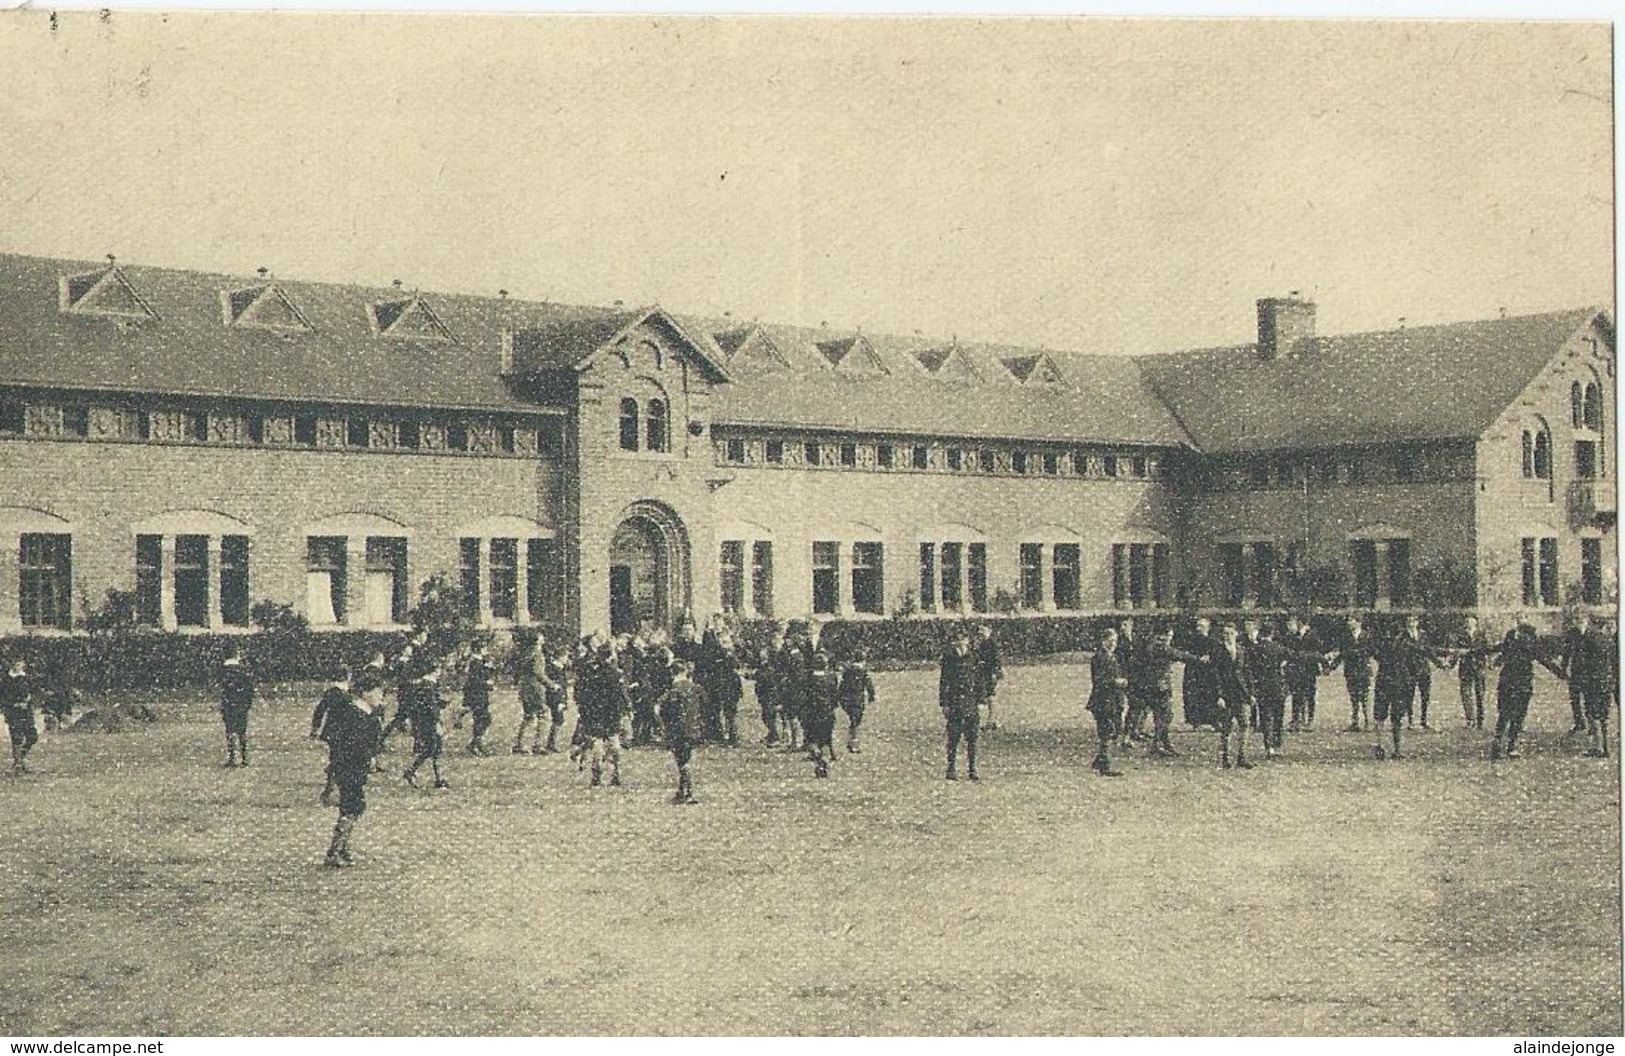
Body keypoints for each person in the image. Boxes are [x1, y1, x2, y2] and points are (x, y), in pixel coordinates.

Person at [323, 668, 387, 869]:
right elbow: (355, 745)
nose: (381, 697)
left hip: (352, 767)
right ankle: (335, 850)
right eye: (378, 692)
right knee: (353, 807)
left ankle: (343, 848)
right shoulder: (358, 716)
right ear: (366, 693)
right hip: (351, 768)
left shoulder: (359, 713)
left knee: (352, 807)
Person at [1485, 619, 1566, 760]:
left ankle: (1497, 743)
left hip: (1506, 683)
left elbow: (1495, 650)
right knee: (1518, 716)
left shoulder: (1510, 643)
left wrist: (1478, 654)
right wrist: (1563, 675)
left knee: (1504, 714)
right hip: (1522, 685)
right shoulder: (1531, 646)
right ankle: (1511, 747)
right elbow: (1546, 660)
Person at [1371, 616, 1446, 761]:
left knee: (1380, 715)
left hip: (1383, 682)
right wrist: (1441, 661)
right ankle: (1397, 749)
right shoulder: (1404, 644)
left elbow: (1366, 652)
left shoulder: (1378, 645)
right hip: (1399, 682)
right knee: (1396, 717)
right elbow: (1425, 651)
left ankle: (1379, 745)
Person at [1133, 624, 1202, 758]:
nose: (1170, 638)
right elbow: (1180, 655)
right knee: (1165, 714)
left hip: (1151, 685)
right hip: (1160, 687)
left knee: (1162, 715)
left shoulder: (1150, 645)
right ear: (1163, 635)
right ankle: (1157, 745)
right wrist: (1200, 660)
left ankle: (1163, 742)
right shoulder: (1162, 647)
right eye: (1169, 636)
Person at [576, 635, 631, 787]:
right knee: (614, 743)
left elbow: (581, 692)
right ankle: (616, 773)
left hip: (594, 712)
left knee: (597, 744)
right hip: (611, 712)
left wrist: (583, 709)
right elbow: (622, 694)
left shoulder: (589, 671)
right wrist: (627, 709)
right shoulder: (615, 673)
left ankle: (596, 774)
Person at [1570, 615, 1618, 758]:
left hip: (1592, 682)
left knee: (1592, 713)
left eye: (1590, 623)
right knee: (1604, 715)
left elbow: (1580, 662)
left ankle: (1598, 747)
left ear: (1594, 625)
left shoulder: (1587, 641)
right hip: (1607, 681)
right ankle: (1605, 746)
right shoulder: (1609, 641)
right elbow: (1614, 662)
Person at [1208, 623, 1255, 770]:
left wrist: (1252, 692)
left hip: (1241, 693)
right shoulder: (1218, 651)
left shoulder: (1242, 650)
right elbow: (1215, 675)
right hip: (1227, 694)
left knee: (1244, 724)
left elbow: (1248, 672)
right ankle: (1225, 757)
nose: (1227, 636)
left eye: (1230, 633)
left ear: (1236, 634)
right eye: (1225, 634)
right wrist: (1219, 695)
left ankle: (1242, 756)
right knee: (1226, 727)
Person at [658, 659, 705, 804]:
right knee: (686, 759)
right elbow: (706, 706)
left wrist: (664, 726)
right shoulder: (697, 688)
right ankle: (682, 790)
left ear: (672, 673)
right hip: (694, 729)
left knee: (682, 761)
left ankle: (688, 792)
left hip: (677, 730)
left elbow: (661, 709)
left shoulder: (673, 691)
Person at [939, 627, 981, 781]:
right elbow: (944, 682)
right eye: (957, 641)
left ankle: (972, 768)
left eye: (963, 640)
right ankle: (951, 767)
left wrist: (980, 699)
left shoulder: (973, 657)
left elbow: (978, 679)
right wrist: (944, 703)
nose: (960, 643)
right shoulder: (949, 659)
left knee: (972, 737)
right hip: (954, 701)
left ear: (967, 642)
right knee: (953, 737)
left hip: (970, 702)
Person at [401, 662, 451, 790]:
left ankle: (437, 777)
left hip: (423, 721)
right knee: (431, 748)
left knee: (434, 749)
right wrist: (437, 722)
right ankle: (412, 771)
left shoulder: (424, 685)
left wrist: (441, 703)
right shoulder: (429, 685)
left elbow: (428, 703)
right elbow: (431, 707)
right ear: (435, 670)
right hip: (428, 722)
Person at [1087, 627, 1128, 777]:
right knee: (1108, 731)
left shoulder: (1112, 656)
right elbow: (1098, 680)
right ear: (1103, 640)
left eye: (1115, 641)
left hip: (1113, 699)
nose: (1113, 644)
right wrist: (1116, 682)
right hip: (1103, 700)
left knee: (1115, 730)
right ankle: (1105, 766)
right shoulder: (1098, 657)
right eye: (1110, 641)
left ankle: (1100, 759)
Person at [310, 668, 353, 806]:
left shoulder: (331, 693)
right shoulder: (347, 693)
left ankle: (330, 787)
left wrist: (315, 728)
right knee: (342, 761)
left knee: (336, 758)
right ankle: (332, 790)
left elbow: (320, 710)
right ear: (348, 677)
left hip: (331, 731)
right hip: (345, 732)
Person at [1328, 617, 1376, 732]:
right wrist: (1331, 667)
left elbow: (1371, 650)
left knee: (1364, 697)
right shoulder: (1345, 636)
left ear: (1359, 622)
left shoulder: (1367, 635)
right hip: (1350, 670)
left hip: (1363, 670)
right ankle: (1355, 722)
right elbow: (1342, 653)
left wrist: (1354, 653)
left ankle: (1367, 722)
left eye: (1351, 620)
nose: (1349, 623)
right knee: (1353, 697)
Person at [802, 647, 841, 777]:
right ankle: (823, 759)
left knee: (811, 740)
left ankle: (818, 758)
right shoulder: (831, 678)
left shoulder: (808, 679)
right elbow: (835, 695)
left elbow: (804, 695)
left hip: (812, 713)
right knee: (825, 739)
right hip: (827, 712)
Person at [702, 628, 744, 747]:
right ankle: (718, 735)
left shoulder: (732, 654)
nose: (724, 644)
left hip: (730, 684)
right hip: (717, 684)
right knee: (716, 710)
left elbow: (737, 664)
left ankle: (733, 736)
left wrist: (729, 654)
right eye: (721, 641)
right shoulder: (714, 651)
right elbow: (709, 665)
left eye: (726, 641)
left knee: (730, 712)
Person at [1451, 615, 1492, 730]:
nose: (1469, 623)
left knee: (1480, 694)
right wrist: (1451, 664)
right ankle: (1470, 719)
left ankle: (1480, 720)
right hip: (1465, 667)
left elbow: (1486, 649)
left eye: (1471, 621)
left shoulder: (1481, 635)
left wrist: (1489, 662)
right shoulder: (1460, 636)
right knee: (1466, 694)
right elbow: (1457, 651)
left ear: (1476, 623)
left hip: (1479, 667)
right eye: (1467, 621)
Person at [1285, 615, 1323, 732]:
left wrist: (1303, 655)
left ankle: (1309, 720)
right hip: (1296, 670)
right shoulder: (1292, 636)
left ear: (1300, 623)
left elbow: (1317, 651)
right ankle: (1296, 719)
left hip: (1309, 670)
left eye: (1293, 623)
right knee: (1296, 695)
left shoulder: (1313, 634)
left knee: (1309, 695)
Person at [218, 644, 255, 768]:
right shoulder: (244, 670)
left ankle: (232, 757)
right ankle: (245, 758)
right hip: (241, 704)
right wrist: (247, 703)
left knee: (229, 731)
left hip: (229, 704)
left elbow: (223, 689)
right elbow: (250, 689)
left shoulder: (223, 671)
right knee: (242, 731)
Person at [1, 657, 38, 777]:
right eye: (15, 665)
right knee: (16, 736)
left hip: (26, 711)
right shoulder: (6, 680)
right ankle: (17, 765)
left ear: (23, 665)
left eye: (20, 664)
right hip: (13, 712)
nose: (18, 667)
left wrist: (29, 700)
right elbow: (3, 697)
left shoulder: (26, 678)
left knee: (32, 736)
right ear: (12, 665)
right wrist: (14, 704)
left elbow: (33, 692)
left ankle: (20, 758)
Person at [1180, 616, 1219, 729]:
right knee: (1193, 695)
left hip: (1208, 672)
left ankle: (1211, 720)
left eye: (1201, 626)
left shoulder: (1213, 641)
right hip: (1193, 672)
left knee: (1209, 694)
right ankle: (1195, 721)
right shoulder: (1191, 640)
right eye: (1197, 626)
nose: (1198, 628)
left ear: (1208, 627)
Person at [462, 637, 497, 756]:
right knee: (484, 718)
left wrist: (489, 667)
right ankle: (477, 743)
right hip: (476, 694)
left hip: (478, 694)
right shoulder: (475, 662)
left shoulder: (479, 661)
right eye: (484, 648)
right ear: (480, 649)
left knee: (481, 718)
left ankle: (474, 743)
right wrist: (487, 683)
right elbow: (475, 680)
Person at [839, 647, 877, 753]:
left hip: (847, 698)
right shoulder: (862, 672)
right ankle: (853, 742)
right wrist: (871, 696)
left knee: (853, 720)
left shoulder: (848, 671)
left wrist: (840, 697)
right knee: (856, 721)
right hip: (857, 699)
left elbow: (842, 685)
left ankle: (851, 741)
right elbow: (869, 685)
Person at [753, 629, 783, 745]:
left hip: (770, 693)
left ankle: (775, 736)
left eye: (763, 655)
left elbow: (767, 677)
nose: (761, 656)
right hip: (764, 693)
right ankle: (771, 734)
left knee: (768, 715)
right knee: (766, 715)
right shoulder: (764, 665)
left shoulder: (770, 666)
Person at [1560, 616, 1589, 734]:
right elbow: (1566, 652)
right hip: (1576, 670)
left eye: (1582, 619)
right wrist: (1563, 667)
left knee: (1589, 698)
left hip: (1589, 671)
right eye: (1577, 620)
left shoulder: (1591, 634)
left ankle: (1592, 725)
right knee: (1575, 697)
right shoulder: (1571, 633)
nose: (1580, 622)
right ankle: (1579, 722)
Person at [975, 624, 1004, 732]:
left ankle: (991, 719)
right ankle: (993, 720)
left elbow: (997, 659)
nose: (981, 634)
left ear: (989, 631)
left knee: (989, 694)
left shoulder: (992, 643)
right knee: (987, 694)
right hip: (983, 672)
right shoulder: (980, 643)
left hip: (990, 672)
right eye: (979, 632)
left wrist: (995, 672)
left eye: (983, 631)